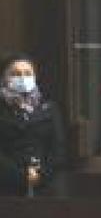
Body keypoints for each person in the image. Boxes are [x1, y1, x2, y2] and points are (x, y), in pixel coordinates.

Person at [0, 54, 66, 197]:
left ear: (35, 77)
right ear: (4, 77)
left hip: (44, 186)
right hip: (6, 186)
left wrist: (41, 175)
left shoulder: (49, 108)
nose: (22, 78)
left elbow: (58, 148)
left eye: (27, 73)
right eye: (15, 74)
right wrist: (22, 176)